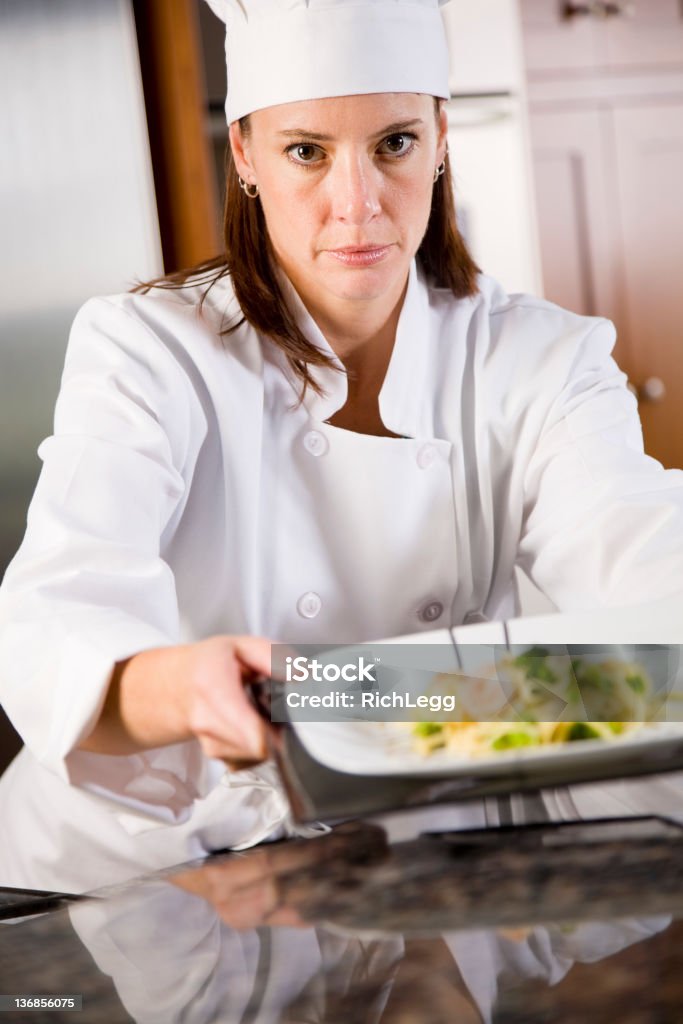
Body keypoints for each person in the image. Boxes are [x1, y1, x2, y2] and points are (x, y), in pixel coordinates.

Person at [1, 0, 682, 880]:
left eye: (393, 144)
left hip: (416, 861)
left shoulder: (545, 358)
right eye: (306, 151)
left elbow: (648, 590)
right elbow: (58, 614)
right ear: (245, 154)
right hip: (137, 871)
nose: (355, 205)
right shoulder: (148, 349)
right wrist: (182, 685)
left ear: (440, 137)